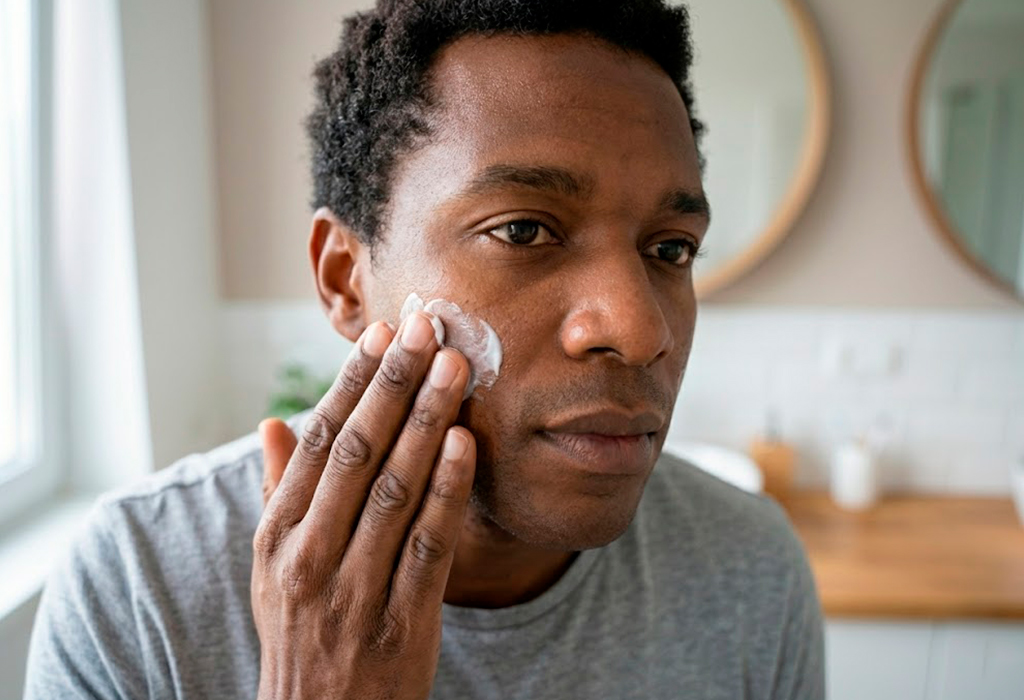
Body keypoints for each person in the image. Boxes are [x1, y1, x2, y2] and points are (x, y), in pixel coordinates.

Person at [24, 1, 826, 698]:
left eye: (671, 248)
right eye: (523, 230)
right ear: (345, 278)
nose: (641, 329)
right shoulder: (141, 589)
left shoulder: (751, 571)